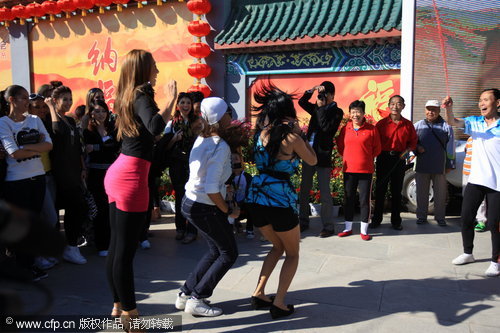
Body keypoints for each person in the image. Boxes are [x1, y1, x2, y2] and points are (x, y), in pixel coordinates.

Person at [103, 49, 176, 321]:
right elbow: (156, 126)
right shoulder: (141, 94)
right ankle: (130, 317)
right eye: (154, 66)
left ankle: (117, 306)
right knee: (125, 252)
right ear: (143, 69)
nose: (156, 71)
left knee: (116, 248)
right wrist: (171, 99)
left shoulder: (126, 95)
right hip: (130, 177)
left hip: (120, 172)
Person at [246, 85, 317, 319]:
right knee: (293, 254)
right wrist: (301, 136)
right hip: (279, 200)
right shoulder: (291, 137)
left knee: (277, 247)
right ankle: (279, 303)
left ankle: (259, 293)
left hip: (257, 198)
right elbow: (313, 160)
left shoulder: (260, 135)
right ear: (287, 112)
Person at [175, 97, 240, 317]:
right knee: (229, 252)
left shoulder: (201, 139)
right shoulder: (219, 146)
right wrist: (228, 210)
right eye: (229, 112)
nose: (231, 116)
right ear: (221, 117)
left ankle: (186, 294)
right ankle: (197, 298)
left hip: (190, 202)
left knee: (215, 250)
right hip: (205, 206)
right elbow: (212, 188)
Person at [443, 89, 499, 277]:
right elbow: (453, 122)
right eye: (480, 100)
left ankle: (495, 261)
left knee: (494, 223)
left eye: (485, 100)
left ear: (497, 103)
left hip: (497, 183)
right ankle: (468, 253)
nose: (481, 103)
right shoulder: (475, 122)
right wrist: (449, 109)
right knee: (466, 218)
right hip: (477, 179)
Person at [0, 85, 53, 281]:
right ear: (11, 99)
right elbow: (13, 153)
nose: (26, 102)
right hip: (16, 182)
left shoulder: (35, 119)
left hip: (37, 178)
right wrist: (34, 147)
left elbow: (49, 145)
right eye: (22, 98)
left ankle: (30, 264)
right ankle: (23, 266)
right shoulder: (3, 123)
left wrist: (24, 148)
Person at [45, 84, 88, 265]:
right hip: (59, 174)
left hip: (74, 172)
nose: (69, 103)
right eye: (65, 99)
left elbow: (78, 147)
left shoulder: (70, 121)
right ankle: (62, 248)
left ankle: (71, 246)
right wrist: (50, 108)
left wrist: (82, 167)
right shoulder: (49, 120)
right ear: (55, 101)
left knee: (77, 209)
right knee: (59, 212)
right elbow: (56, 131)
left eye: (70, 99)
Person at [297, 81, 344, 237]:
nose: (322, 97)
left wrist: (322, 107)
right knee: (304, 189)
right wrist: (312, 90)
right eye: (321, 95)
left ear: (332, 95)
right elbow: (302, 102)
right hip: (308, 152)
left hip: (323, 156)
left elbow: (325, 128)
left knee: (324, 192)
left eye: (325, 95)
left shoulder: (337, 112)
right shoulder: (317, 108)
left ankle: (328, 226)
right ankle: (303, 221)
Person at [336, 100, 381, 240]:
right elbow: (340, 147)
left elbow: (377, 148)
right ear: (350, 114)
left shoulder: (371, 129)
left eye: (358, 112)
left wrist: (365, 158)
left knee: (364, 201)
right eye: (353, 112)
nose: (355, 115)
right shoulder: (345, 129)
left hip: (365, 170)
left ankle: (364, 230)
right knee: (348, 199)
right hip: (349, 170)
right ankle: (348, 228)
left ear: (363, 113)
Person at [371, 95, 418, 230]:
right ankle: (376, 220)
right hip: (383, 158)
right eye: (392, 104)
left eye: (398, 104)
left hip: (399, 159)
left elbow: (413, 142)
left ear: (403, 106)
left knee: (396, 191)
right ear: (388, 106)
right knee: (380, 190)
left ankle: (396, 221)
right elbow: (374, 142)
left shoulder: (408, 124)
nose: (395, 107)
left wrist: (407, 150)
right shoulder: (381, 124)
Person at [83, 100, 119, 257]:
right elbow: (88, 150)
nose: (100, 114)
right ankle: (101, 244)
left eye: (103, 111)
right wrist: (102, 148)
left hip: (113, 174)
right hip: (96, 175)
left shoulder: (113, 129)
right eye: (97, 111)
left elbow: (117, 147)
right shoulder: (88, 131)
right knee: (100, 210)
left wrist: (97, 148)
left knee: (113, 209)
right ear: (91, 113)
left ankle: (113, 241)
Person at [413, 100, 455, 226]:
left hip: (439, 166)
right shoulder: (418, 125)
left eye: (434, 109)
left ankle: (440, 218)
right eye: (428, 109)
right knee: (421, 193)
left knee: (440, 194)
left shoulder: (446, 126)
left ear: (439, 111)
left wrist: (450, 164)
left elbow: (451, 146)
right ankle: (421, 217)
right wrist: (416, 148)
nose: (430, 112)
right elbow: (411, 142)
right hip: (422, 165)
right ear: (425, 110)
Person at [164, 92, 198, 244]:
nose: (185, 106)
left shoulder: (197, 122)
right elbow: (164, 146)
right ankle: (180, 228)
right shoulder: (171, 123)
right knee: (179, 195)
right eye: (182, 103)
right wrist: (174, 139)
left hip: (193, 163)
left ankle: (192, 230)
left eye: (188, 103)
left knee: (192, 195)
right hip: (177, 163)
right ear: (177, 105)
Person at [227, 151, 254, 238]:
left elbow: (251, 191)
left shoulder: (247, 176)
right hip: (232, 202)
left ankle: (249, 229)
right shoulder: (227, 176)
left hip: (244, 202)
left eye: (236, 159)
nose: (234, 161)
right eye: (232, 159)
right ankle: (230, 227)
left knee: (251, 206)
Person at [462, 137, 487, 232]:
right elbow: (466, 152)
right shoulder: (469, 139)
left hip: (479, 173)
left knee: (481, 198)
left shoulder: (484, 139)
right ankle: (469, 219)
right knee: (467, 197)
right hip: (467, 172)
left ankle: (481, 220)